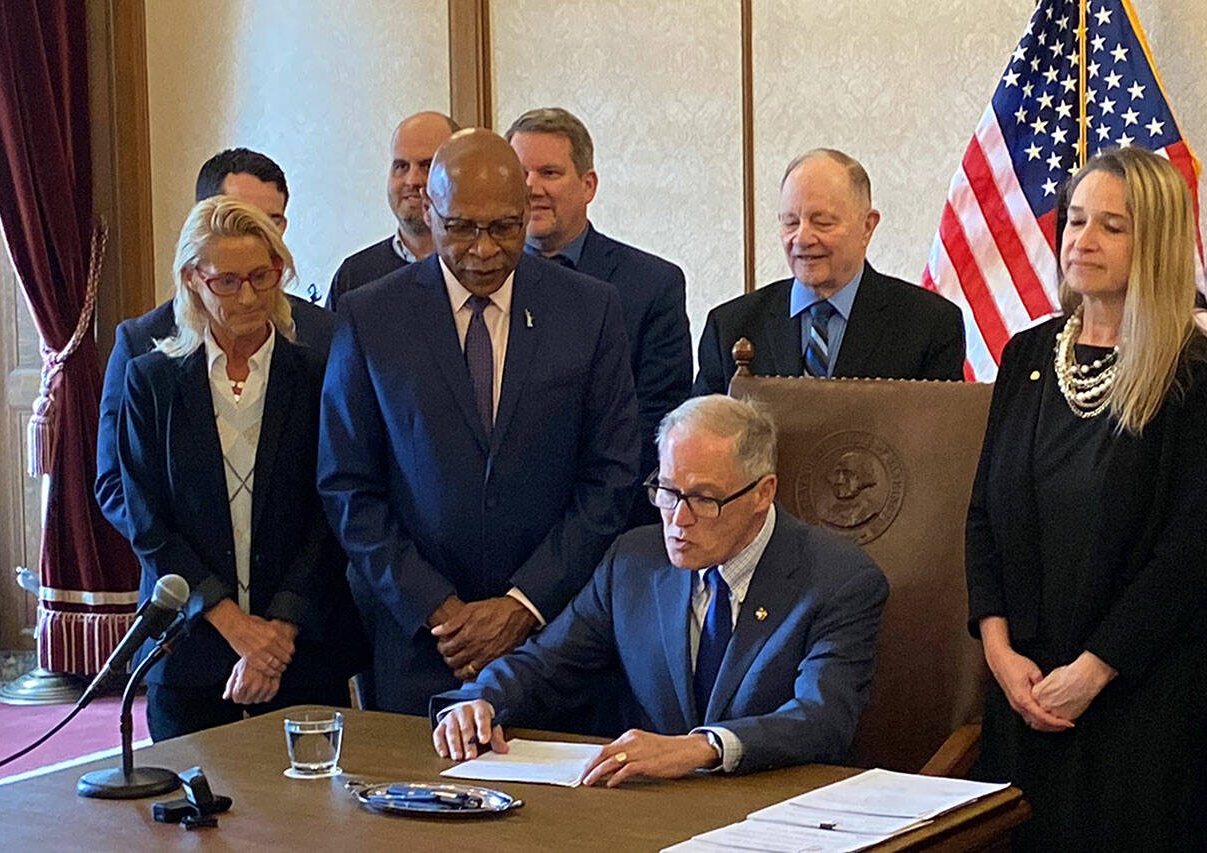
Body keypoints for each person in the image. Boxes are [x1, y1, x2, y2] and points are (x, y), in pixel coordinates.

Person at [318, 128, 639, 716]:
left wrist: (522, 605)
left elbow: (611, 477)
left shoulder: (589, 309)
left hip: (556, 640)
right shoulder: (372, 316)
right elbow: (348, 485)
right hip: (421, 644)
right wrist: (439, 610)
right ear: (429, 211)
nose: (484, 249)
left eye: (504, 228)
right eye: (462, 227)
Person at [431, 395, 888, 783]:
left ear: (762, 493)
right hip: (649, 814)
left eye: (704, 499)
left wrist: (703, 747)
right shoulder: (633, 561)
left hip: (779, 812)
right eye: (667, 491)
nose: (677, 520)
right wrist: (481, 701)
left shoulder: (838, 580)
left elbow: (823, 719)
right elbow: (548, 663)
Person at [966, 146, 1207, 848]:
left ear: (1156, 240)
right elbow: (983, 514)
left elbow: (1189, 554)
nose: (1083, 240)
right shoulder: (1027, 355)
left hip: (1143, 699)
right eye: (1075, 220)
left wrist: (1096, 669)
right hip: (1025, 687)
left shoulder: (1189, 373)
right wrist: (999, 649)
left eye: (1112, 225)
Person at [116, 198, 358, 741]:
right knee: (196, 815)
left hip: (303, 651)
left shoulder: (321, 372)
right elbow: (148, 521)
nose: (248, 296)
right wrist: (234, 626)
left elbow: (335, 511)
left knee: (309, 818)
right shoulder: (151, 381)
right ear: (192, 280)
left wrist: (278, 632)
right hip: (190, 653)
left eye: (262, 277)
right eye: (226, 281)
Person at [96, 148, 336, 535]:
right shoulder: (142, 342)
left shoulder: (325, 336)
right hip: (182, 582)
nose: (254, 235)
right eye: (239, 217)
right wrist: (199, 582)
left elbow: (340, 482)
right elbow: (116, 486)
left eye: (270, 222)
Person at [506, 107, 691, 527]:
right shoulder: (481, 284)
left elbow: (657, 425)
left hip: (613, 526)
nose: (531, 187)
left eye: (549, 173)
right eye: (520, 175)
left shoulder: (652, 284)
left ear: (588, 185)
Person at [692, 149, 965, 395]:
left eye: (821, 222)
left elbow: (940, 441)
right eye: (790, 222)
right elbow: (699, 441)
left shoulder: (929, 326)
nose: (801, 238)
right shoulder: (731, 325)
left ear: (867, 227)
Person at [325, 111, 460, 309]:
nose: (412, 180)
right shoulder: (354, 277)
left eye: (427, 166)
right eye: (401, 166)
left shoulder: (481, 267)